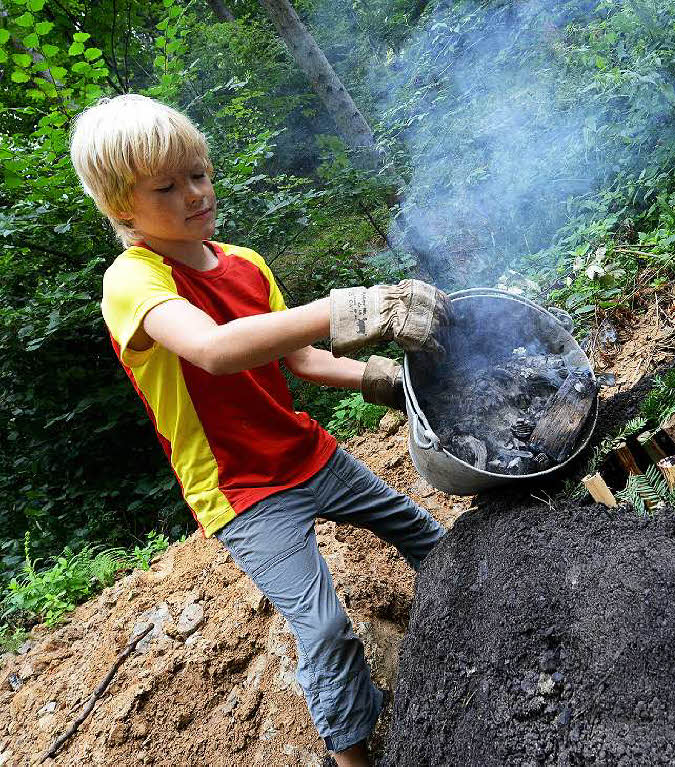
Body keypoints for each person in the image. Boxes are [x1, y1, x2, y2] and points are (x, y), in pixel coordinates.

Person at [70, 94, 449, 767]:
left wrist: (381, 378)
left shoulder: (245, 262)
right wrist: (345, 306)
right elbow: (215, 348)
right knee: (326, 627)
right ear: (121, 206)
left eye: (198, 173)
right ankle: (355, 758)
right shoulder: (132, 280)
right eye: (167, 186)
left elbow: (301, 360)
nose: (195, 193)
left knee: (425, 534)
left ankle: (477, 617)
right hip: (243, 489)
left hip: (309, 450)